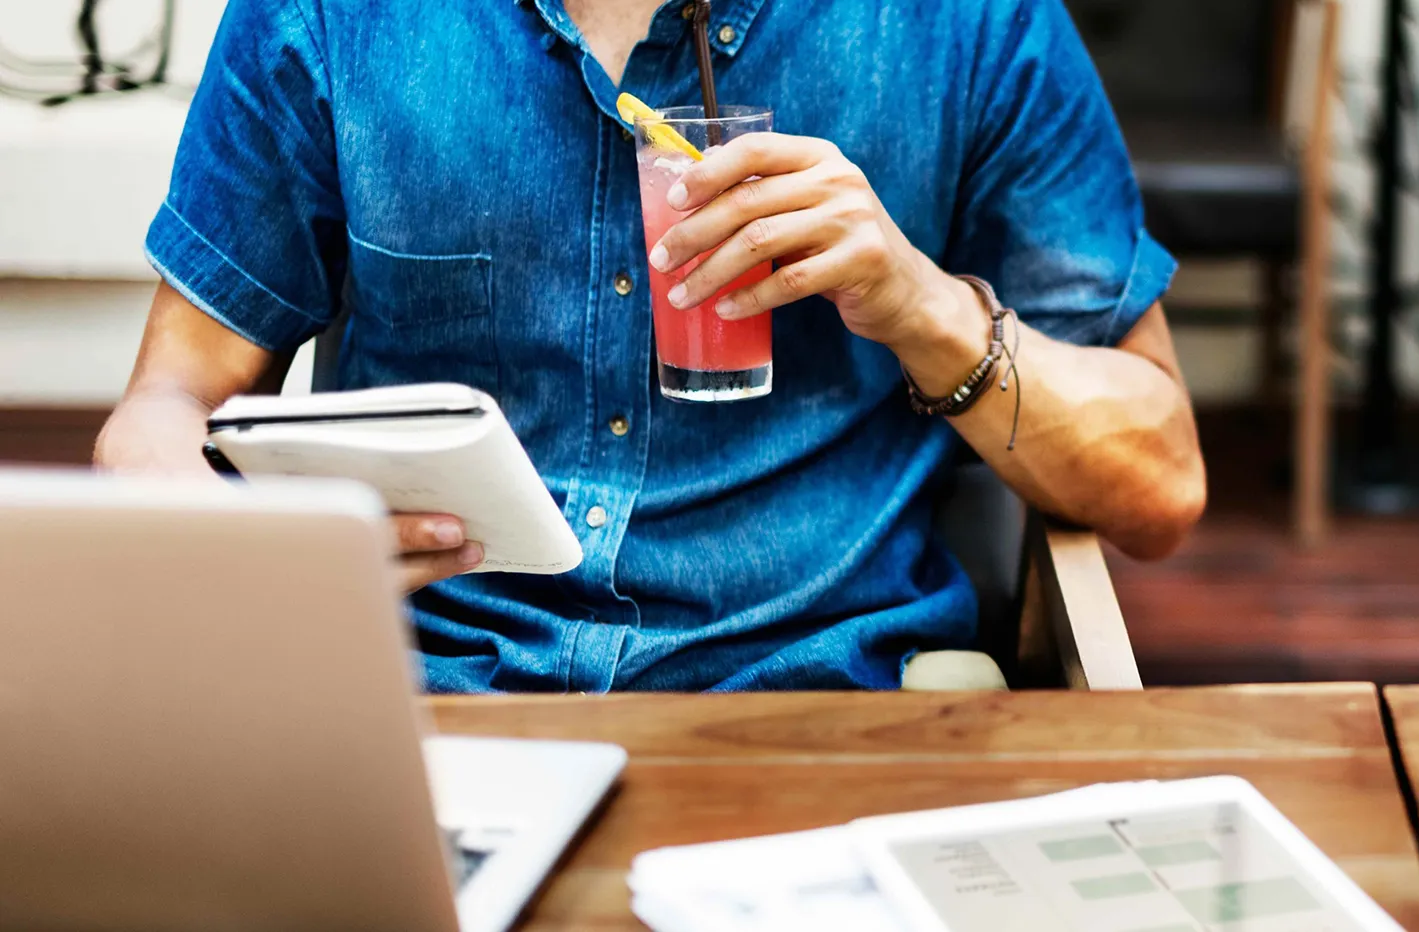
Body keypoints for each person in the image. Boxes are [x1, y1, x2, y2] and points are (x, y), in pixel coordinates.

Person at [96, 0, 1205, 692]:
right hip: (416, 701)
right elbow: (163, 407)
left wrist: (919, 302)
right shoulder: (335, 14)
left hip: (814, 703)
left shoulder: (967, 24)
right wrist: (255, 542)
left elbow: (1159, 487)